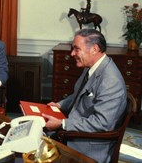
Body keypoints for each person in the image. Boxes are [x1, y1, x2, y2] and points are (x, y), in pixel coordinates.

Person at [43, 29, 127, 163]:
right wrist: (59, 105)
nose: (72, 54)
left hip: (88, 144)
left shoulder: (111, 80)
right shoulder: (91, 67)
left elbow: (102, 123)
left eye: (76, 49)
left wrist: (63, 123)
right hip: (75, 130)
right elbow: (78, 95)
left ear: (94, 49)